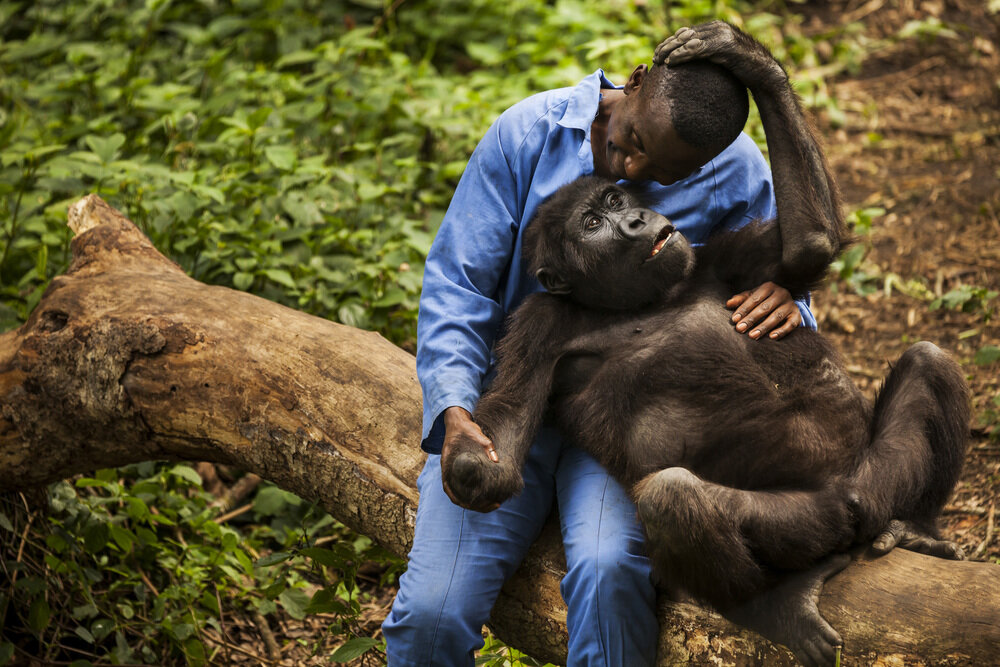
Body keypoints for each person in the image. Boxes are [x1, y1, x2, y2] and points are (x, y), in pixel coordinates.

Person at [381, 40, 815, 667]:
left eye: (662, 176)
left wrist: (786, 296)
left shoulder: (730, 164)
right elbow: (459, 286)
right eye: (633, 142)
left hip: (631, 425)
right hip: (508, 406)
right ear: (635, 82)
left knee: (610, 573)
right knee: (430, 614)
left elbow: (784, 263)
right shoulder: (529, 132)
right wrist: (453, 408)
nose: (634, 174)